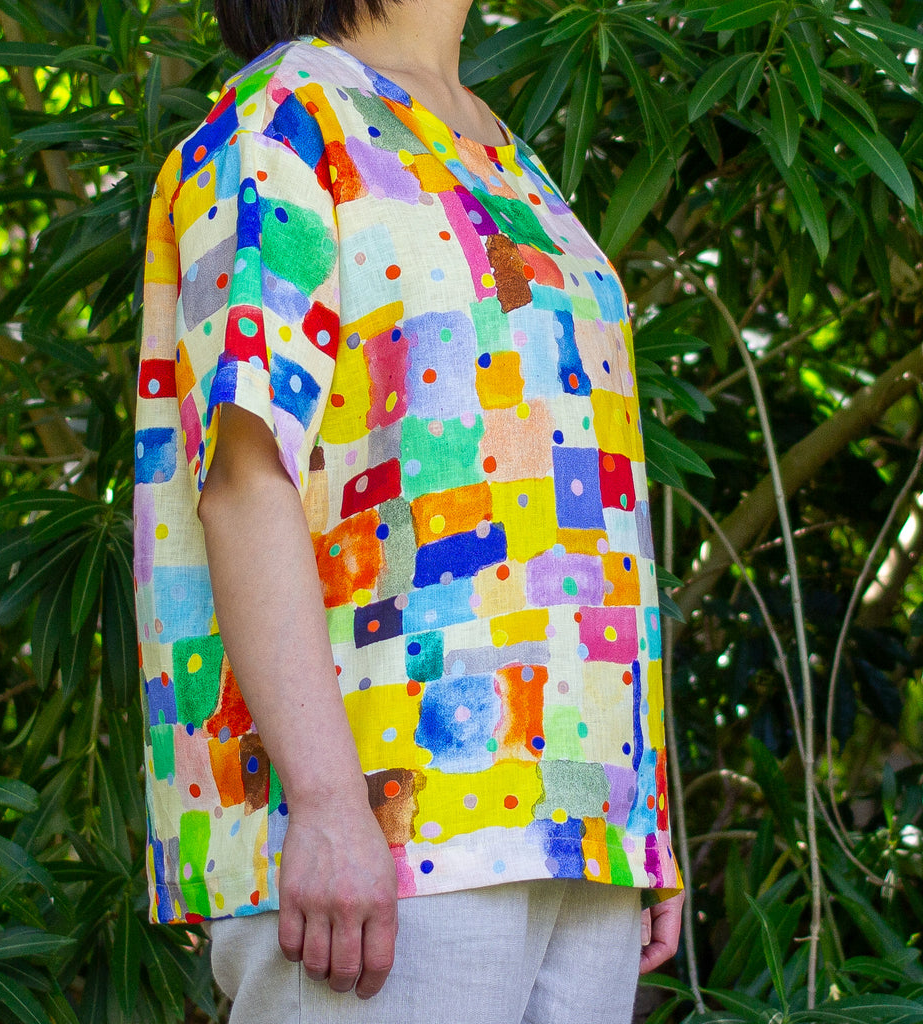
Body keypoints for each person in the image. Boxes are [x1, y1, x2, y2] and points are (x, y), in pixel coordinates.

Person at [134, 1, 684, 1020]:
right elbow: (246, 477)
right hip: (387, 830)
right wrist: (331, 805)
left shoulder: (501, 149)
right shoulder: (282, 124)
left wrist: (632, 816)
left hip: (574, 823)